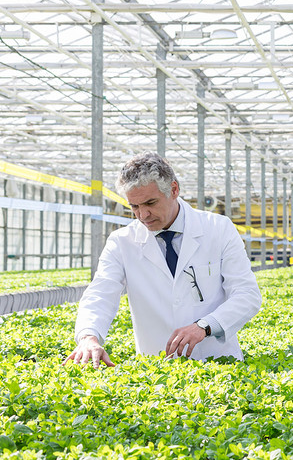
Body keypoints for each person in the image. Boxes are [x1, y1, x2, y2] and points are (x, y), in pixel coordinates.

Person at [64, 152, 262, 367]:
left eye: (150, 203)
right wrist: (88, 337)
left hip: (219, 364)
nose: (143, 215)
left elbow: (247, 294)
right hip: (157, 373)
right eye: (134, 206)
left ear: (174, 190)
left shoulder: (218, 228)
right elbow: (100, 293)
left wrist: (205, 326)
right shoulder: (122, 242)